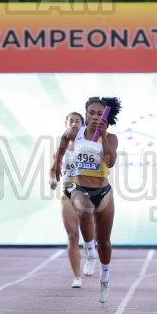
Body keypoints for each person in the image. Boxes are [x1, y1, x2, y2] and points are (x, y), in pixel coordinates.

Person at [52, 96, 121, 303]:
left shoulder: (111, 137)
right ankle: (89, 252)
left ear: (105, 117)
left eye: (100, 114)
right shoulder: (76, 133)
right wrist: (55, 166)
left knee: (106, 243)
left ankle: (105, 276)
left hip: (103, 190)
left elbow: (110, 163)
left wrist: (103, 135)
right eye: (91, 113)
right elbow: (62, 145)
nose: (94, 117)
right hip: (79, 187)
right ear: (86, 114)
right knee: (83, 209)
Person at [49, 112, 98, 288]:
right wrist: (53, 180)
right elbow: (53, 170)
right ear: (66, 125)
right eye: (71, 121)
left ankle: (91, 250)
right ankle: (77, 276)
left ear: (83, 124)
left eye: (78, 121)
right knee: (72, 235)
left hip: (85, 192)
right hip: (67, 192)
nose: (75, 124)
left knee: (88, 229)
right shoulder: (61, 148)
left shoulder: (87, 145)